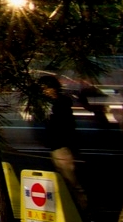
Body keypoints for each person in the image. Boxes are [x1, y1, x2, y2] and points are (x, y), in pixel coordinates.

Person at [40, 75, 90, 213]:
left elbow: (64, 126)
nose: (43, 91)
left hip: (62, 147)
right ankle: (75, 209)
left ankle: (81, 211)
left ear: (52, 88)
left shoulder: (60, 104)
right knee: (65, 182)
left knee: (71, 182)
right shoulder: (56, 104)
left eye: (45, 88)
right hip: (58, 146)